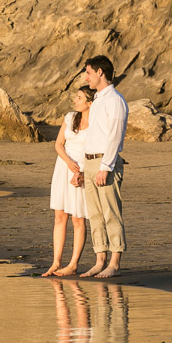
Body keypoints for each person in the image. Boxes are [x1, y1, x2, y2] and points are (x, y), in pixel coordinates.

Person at [79, 55, 129, 279]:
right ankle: (100, 260)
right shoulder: (98, 98)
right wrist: (83, 167)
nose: (86, 77)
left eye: (89, 72)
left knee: (111, 212)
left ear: (100, 72)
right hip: (90, 161)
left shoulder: (114, 99)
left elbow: (115, 136)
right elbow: (93, 135)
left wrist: (105, 167)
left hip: (104, 162)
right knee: (95, 215)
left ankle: (115, 262)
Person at [44, 86, 96, 277]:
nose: (75, 100)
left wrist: (80, 172)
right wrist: (69, 163)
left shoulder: (96, 124)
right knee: (60, 216)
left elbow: (93, 150)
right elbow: (58, 144)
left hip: (82, 170)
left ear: (89, 103)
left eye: (80, 98)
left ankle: (73, 263)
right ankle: (56, 262)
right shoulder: (70, 117)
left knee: (78, 218)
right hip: (64, 168)